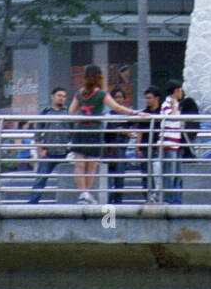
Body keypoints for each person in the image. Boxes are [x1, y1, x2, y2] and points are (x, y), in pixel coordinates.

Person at [68, 65, 135, 204]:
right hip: (95, 132)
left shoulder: (79, 93)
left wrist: (82, 117)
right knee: (91, 167)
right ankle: (87, 193)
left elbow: (70, 112)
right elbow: (116, 107)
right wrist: (136, 113)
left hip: (80, 131)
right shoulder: (101, 94)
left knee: (79, 165)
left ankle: (83, 193)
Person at [28, 88, 70, 203]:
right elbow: (37, 133)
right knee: (40, 179)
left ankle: (67, 203)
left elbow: (74, 132)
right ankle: (32, 204)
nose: (61, 98)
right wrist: (40, 150)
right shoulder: (45, 113)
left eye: (64, 96)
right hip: (48, 152)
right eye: (59, 95)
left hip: (64, 152)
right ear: (52, 96)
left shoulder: (68, 113)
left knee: (68, 179)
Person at [104, 87, 131, 205]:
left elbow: (131, 132)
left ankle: (118, 203)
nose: (119, 100)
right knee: (108, 179)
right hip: (109, 149)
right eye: (116, 97)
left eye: (121, 97)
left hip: (121, 148)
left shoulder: (127, 115)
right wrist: (118, 130)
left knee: (119, 178)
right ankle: (109, 203)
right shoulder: (107, 115)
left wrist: (125, 132)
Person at [159, 79, 184, 204]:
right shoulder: (166, 104)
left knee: (176, 174)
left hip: (175, 144)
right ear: (175, 91)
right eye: (180, 90)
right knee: (169, 173)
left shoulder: (175, 104)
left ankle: (173, 199)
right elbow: (172, 118)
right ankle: (167, 200)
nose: (182, 92)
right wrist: (175, 106)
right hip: (168, 144)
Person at [135, 87, 161, 202]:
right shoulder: (144, 113)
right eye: (146, 98)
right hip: (145, 147)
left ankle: (157, 197)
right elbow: (140, 131)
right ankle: (147, 198)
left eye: (150, 98)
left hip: (158, 147)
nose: (147, 100)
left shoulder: (162, 113)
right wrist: (137, 147)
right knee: (146, 174)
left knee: (158, 174)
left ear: (157, 98)